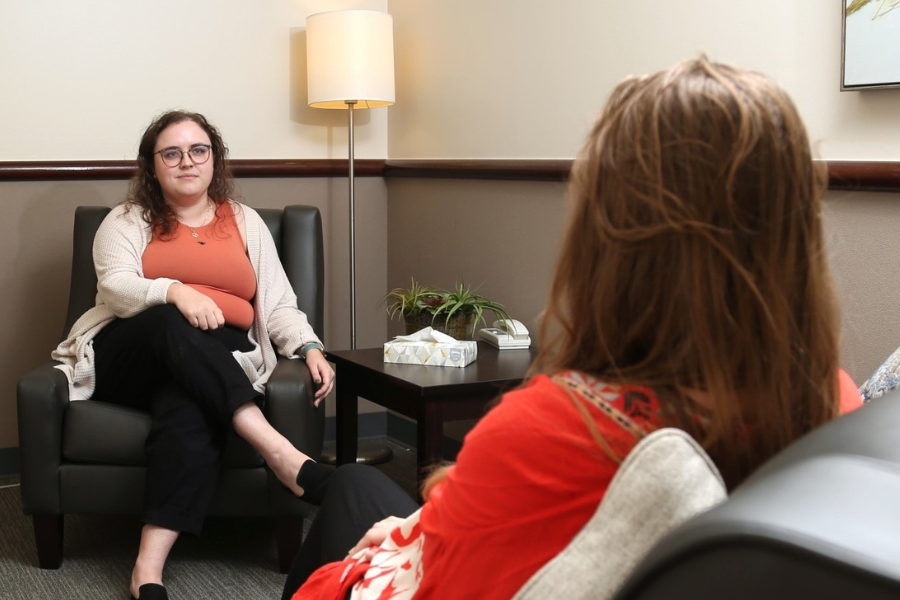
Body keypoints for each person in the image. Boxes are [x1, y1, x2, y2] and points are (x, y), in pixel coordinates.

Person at [280, 57, 864, 600]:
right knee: (356, 488)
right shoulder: (833, 405)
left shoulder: (548, 430)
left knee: (350, 495)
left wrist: (385, 558)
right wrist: (422, 523)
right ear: (795, 237)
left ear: (608, 239)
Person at [51, 110, 336, 600]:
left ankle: (147, 572)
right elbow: (116, 287)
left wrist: (308, 345)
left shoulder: (244, 223)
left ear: (214, 159)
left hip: (216, 358)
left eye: (198, 150)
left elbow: (277, 302)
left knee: (187, 405)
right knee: (168, 322)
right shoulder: (125, 220)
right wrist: (176, 293)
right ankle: (278, 452)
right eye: (172, 153)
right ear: (153, 166)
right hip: (132, 349)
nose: (187, 162)